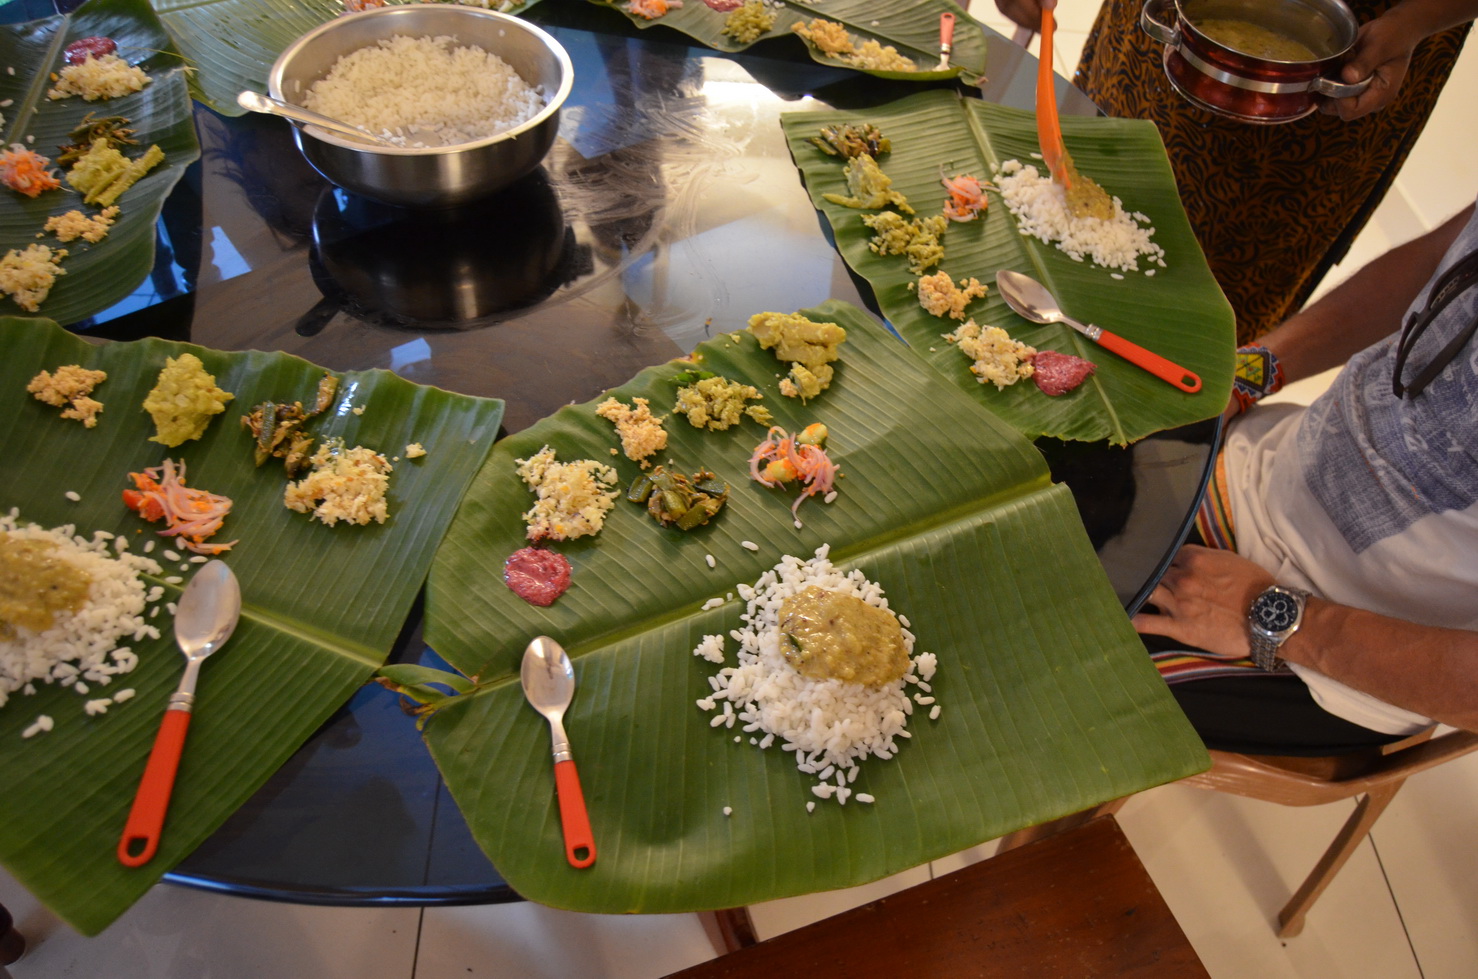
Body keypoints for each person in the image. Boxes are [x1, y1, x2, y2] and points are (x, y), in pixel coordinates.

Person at [1131, 199, 1478, 753]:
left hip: (1333, 659)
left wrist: (1268, 615)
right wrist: (1246, 375)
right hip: (1257, 465)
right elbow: (1439, 260)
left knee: (1035, 672)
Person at [993, 0, 1477, 344]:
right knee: (1086, 168)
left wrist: (1413, 21)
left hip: (1338, 79)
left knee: (1211, 286)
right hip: (1160, 32)